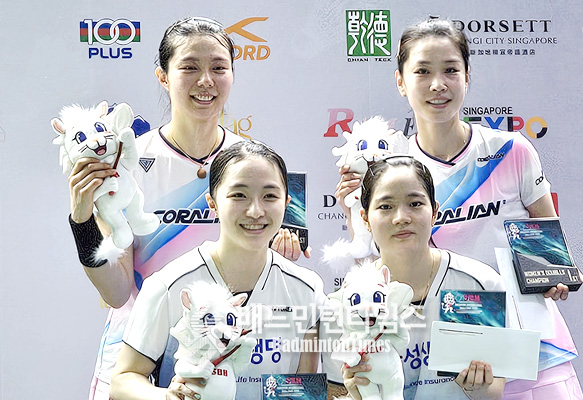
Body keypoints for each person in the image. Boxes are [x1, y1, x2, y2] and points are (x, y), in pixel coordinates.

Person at [335, 18, 582, 399]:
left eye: (451, 70)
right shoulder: (393, 168)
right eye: (422, 71)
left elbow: (548, 243)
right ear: (400, 81)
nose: (438, 84)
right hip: (451, 355)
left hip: (532, 345)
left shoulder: (511, 150)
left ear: (467, 77)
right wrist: (353, 211)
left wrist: (556, 273)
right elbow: (376, 266)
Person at [66, 17, 306, 400]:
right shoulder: (127, 164)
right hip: (139, 359)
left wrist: (280, 255)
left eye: (218, 67)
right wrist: (82, 222)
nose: (205, 80)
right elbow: (116, 292)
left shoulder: (257, 165)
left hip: (228, 350)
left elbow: (285, 280)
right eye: (190, 67)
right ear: (163, 76)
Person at [110, 140, 326, 400]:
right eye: (239, 195)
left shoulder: (307, 290)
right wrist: (167, 397)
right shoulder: (169, 285)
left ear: (286, 203)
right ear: (212, 203)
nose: (255, 211)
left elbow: (304, 386)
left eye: (270, 196)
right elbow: (123, 379)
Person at [338, 156, 505, 399]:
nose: (401, 217)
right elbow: (339, 385)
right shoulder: (351, 296)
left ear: (435, 211)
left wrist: (477, 386)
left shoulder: (481, 284)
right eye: (385, 207)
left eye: (415, 204)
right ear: (365, 219)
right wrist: (356, 392)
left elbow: (495, 391)